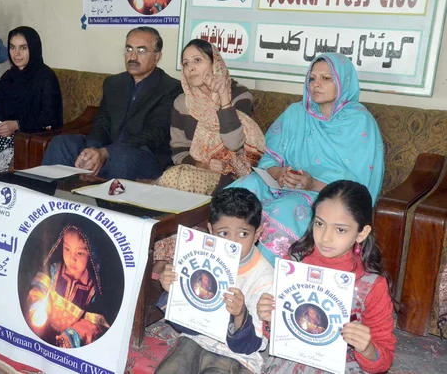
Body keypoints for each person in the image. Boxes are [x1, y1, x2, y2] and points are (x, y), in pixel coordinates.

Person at [228, 52, 384, 266]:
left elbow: (360, 190)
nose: (316, 84)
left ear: (343, 81)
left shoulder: (359, 123)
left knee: (288, 207)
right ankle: (220, 259)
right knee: (243, 189)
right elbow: (269, 160)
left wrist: (312, 184)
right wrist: (279, 173)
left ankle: (256, 274)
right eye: (312, 78)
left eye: (326, 78)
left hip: (322, 195)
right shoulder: (296, 113)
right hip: (281, 185)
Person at [256, 180, 396, 373]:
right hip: (292, 359)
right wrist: (270, 319)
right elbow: (277, 336)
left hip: (342, 364)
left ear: (361, 233)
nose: (326, 237)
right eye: (320, 224)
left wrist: (367, 348)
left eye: (340, 229)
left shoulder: (372, 285)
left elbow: (384, 359)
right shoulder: (294, 264)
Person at [157, 188, 274, 374]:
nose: (233, 243)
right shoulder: (199, 259)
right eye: (223, 234)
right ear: (210, 230)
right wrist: (172, 291)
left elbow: (249, 346)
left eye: (243, 234)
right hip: (194, 341)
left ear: (257, 233)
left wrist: (240, 314)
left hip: (238, 358)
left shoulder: (265, 277)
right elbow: (182, 325)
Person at [42, 26, 182, 180]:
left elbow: (153, 134)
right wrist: (92, 151)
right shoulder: (113, 83)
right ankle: (47, 199)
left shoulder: (170, 88)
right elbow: (102, 121)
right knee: (61, 143)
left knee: (122, 157)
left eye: (141, 51)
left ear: (157, 56)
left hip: (143, 156)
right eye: (129, 49)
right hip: (107, 149)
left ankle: (109, 204)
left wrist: (105, 152)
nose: (133, 57)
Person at [159, 39, 265, 195]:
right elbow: (178, 151)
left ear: (214, 63)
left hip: (234, 175)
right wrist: (202, 164)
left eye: (197, 60)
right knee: (171, 178)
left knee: (178, 181)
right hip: (197, 169)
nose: (191, 68)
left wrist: (223, 96)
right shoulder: (182, 102)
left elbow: (234, 143)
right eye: (186, 63)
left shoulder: (239, 95)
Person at [0, 26, 63, 175]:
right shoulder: (8, 77)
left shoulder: (45, 77)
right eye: (12, 47)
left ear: (33, 48)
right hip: (3, 134)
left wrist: (17, 125)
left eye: (23, 48)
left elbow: (50, 117)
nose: (16, 54)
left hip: (28, 138)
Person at [25, 224, 108, 348]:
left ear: (91, 254)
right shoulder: (53, 271)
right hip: (43, 331)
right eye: (67, 249)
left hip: (69, 345)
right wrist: (37, 309)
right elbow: (38, 291)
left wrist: (70, 338)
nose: (71, 258)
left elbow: (91, 324)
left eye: (80, 253)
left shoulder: (93, 290)